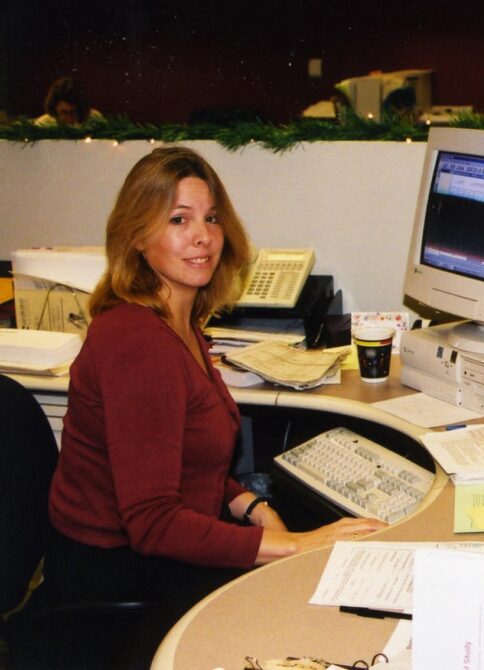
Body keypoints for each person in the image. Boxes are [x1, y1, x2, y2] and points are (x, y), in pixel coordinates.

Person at [38, 147, 385, 667]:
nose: (203, 236)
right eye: (179, 220)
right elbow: (153, 521)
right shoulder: (138, 344)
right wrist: (298, 544)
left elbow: (182, 458)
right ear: (137, 235)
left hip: (150, 552)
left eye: (211, 217)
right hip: (117, 574)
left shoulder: (179, 321)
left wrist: (252, 506)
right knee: (301, 614)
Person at [34, 75, 103, 126]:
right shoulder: (43, 125)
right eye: (64, 112)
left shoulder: (95, 119)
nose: (69, 119)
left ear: (81, 109)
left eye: (73, 112)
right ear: (54, 108)